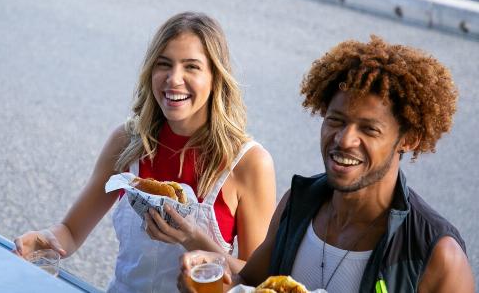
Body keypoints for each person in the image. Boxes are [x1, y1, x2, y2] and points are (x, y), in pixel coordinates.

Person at [178, 36, 475, 293]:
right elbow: (250, 282)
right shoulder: (298, 203)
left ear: (408, 139)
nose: (345, 139)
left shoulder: (435, 254)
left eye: (369, 129)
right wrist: (212, 273)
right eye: (336, 121)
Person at [13, 11, 276, 292]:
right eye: (164, 64)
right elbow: (70, 233)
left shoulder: (250, 163)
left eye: (191, 67)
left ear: (215, 77)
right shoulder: (127, 141)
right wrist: (44, 238)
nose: (174, 79)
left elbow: (257, 280)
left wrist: (191, 237)